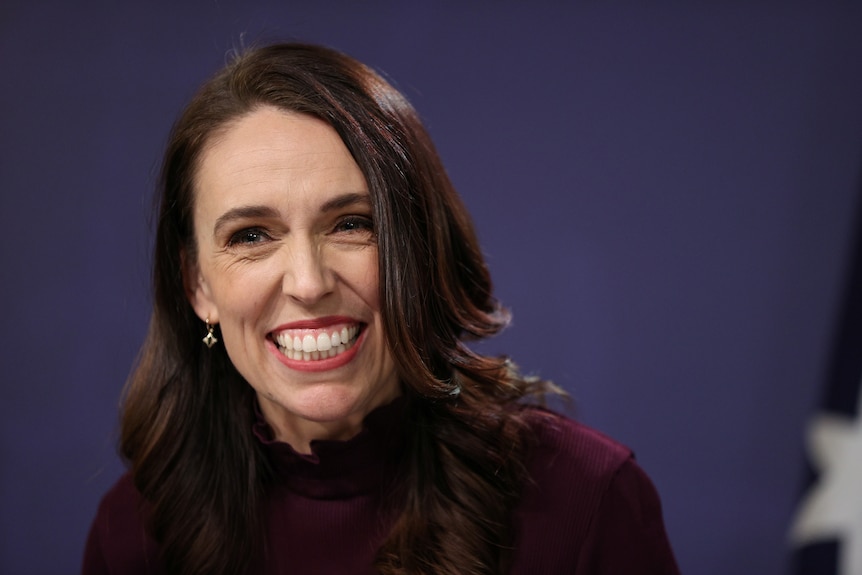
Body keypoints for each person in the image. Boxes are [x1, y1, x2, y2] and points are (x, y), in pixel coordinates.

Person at [82, 42, 680, 575]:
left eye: (352, 224)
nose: (309, 283)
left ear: (418, 248)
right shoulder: (134, 533)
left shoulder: (586, 502)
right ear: (199, 287)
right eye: (251, 236)